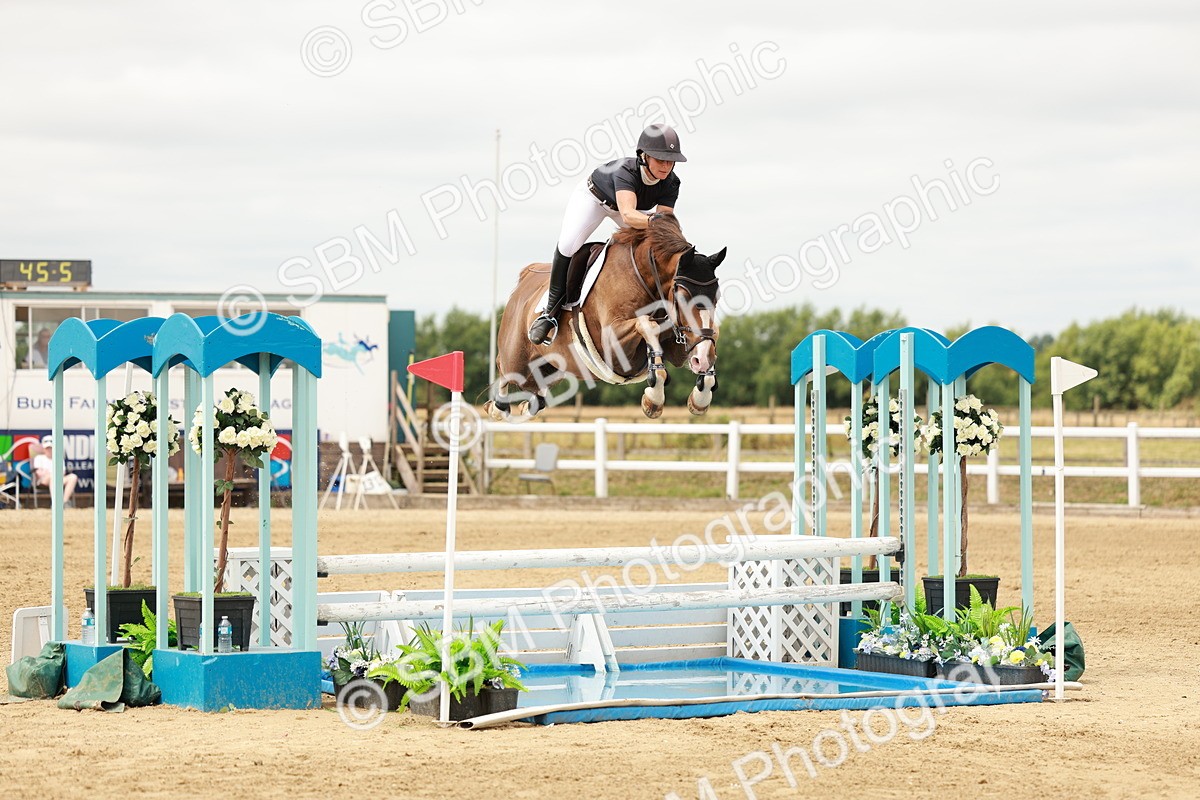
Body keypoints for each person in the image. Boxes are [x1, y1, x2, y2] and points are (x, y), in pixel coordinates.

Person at [527, 123, 687, 345]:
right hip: (594, 199)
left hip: (633, 211)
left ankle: (662, 309)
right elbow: (628, 215)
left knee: (657, 248)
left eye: (671, 161)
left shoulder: (672, 183)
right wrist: (655, 221)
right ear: (644, 156)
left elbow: (663, 223)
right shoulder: (627, 172)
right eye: (661, 160)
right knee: (568, 245)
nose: (666, 166)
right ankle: (550, 313)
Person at [33, 435, 78, 506]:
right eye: (47, 448)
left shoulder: (59, 458)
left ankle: (64, 502)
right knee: (52, 476)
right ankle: (55, 503)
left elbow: (62, 473)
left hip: (58, 479)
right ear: (43, 449)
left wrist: (50, 473)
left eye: (51, 448)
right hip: (43, 481)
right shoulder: (39, 458)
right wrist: (50, 474)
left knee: (73, 477)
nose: (49, 450)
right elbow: (38, 473)